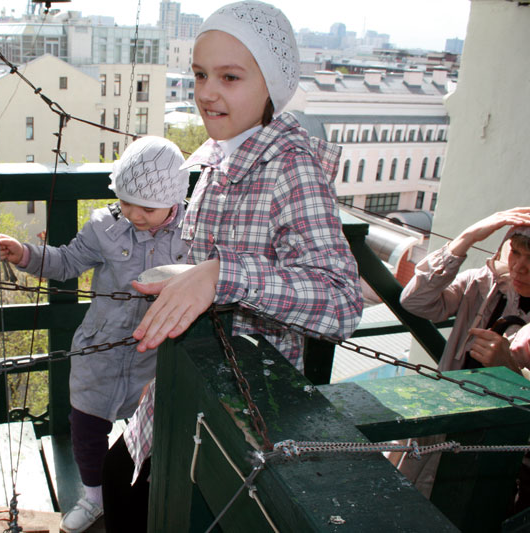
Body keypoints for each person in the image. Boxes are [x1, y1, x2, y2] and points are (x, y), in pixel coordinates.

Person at [101, 3, 364, 531]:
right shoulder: (222, 156)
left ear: (272, 84)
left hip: (244, 411)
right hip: (193, 382)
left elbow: (342, 301)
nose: (206, 92)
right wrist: (193, 281)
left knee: (147, 499)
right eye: (200, 74)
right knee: (121, 479)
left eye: (230, 77)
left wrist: (223, 275)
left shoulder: (291, 168)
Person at [0, 136, 190, 533]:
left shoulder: (196, 233)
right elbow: (66, 262)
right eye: (126, 202)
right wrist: (25, 254)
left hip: (157, 355)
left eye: (147, 208)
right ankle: (94, 497)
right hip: (101, 348)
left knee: (152, 432)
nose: (134, 214)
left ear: (174, 201)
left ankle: (145, 497)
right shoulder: (105, 227)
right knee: (86, 427)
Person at [396, 207, 530, 499]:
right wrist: (466, 239)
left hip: (499, 455)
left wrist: (509, 370)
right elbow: (415, 301)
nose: (520, 268)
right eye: (516, 253)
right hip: (447, 423)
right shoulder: (485, 285)